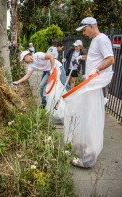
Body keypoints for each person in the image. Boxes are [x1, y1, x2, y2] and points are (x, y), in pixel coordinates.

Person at [66, 16, 114, 168]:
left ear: (92, 26)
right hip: (91, 83)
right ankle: (83, 147)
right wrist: (82, 57)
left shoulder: (102, 39)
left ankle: (89, 156)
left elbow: (110, 59)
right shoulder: (95, 40)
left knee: (91, 117)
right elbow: (95, 57)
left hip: (94, 84)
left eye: (85, 30)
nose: (84, 34)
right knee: (86, 115)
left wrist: (96, 70)